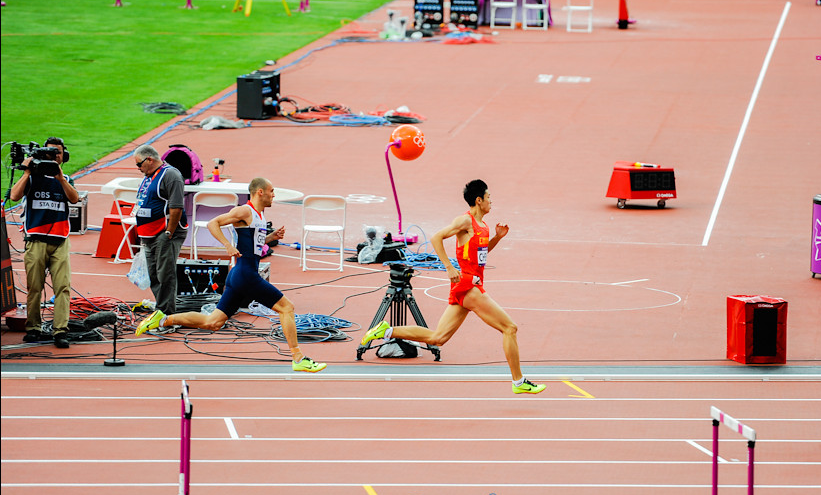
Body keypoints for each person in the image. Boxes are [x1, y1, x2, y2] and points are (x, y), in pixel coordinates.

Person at [361, 179, 545, 394]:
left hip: (466, 286)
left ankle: (387, 330)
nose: (491, 201)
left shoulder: (484, 227)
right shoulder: (464, 222)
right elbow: (436, 237)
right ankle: (518, 381)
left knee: (438, 338)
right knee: (509, 328)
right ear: (478, 200)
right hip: (468, 285)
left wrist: (497, 238)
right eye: (488, 197)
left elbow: (481, 255)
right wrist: (448, 266)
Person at [135, 177, 325, 373]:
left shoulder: (258, 215)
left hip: (239, 274)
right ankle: (298, 358)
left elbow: (252, 245)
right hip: (246, 274)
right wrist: (227, 245)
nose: (273, 195)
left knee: (213, 322)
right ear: (260, 192)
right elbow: (213, 223)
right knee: (287, 308)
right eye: (271, 191)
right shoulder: (245, 210)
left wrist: (270, 237)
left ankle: (163, 319)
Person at [9, 137, 80, 348]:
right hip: (36, 240)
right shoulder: (32, 179)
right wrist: (28, 172)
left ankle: (60, 330)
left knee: (63, 288)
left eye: (58, 153)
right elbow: (13, 196)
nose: (54, 156)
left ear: (63, 156)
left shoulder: (66, 178)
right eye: (50, 152)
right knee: (34, 288)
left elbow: (74, 199)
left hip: (60, 241)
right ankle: (33, 328)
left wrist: (60, 178)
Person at [132, 144, 187, 327]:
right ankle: (161, 311)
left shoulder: (171, 175)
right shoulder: (149, 176)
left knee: (166, 275)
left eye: (139, 164)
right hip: (149, 235)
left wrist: (169, 233)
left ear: (150, 159)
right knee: (154, 275)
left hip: (165, 234)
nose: (138, 169)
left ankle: (167, 318)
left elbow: (176, 207)